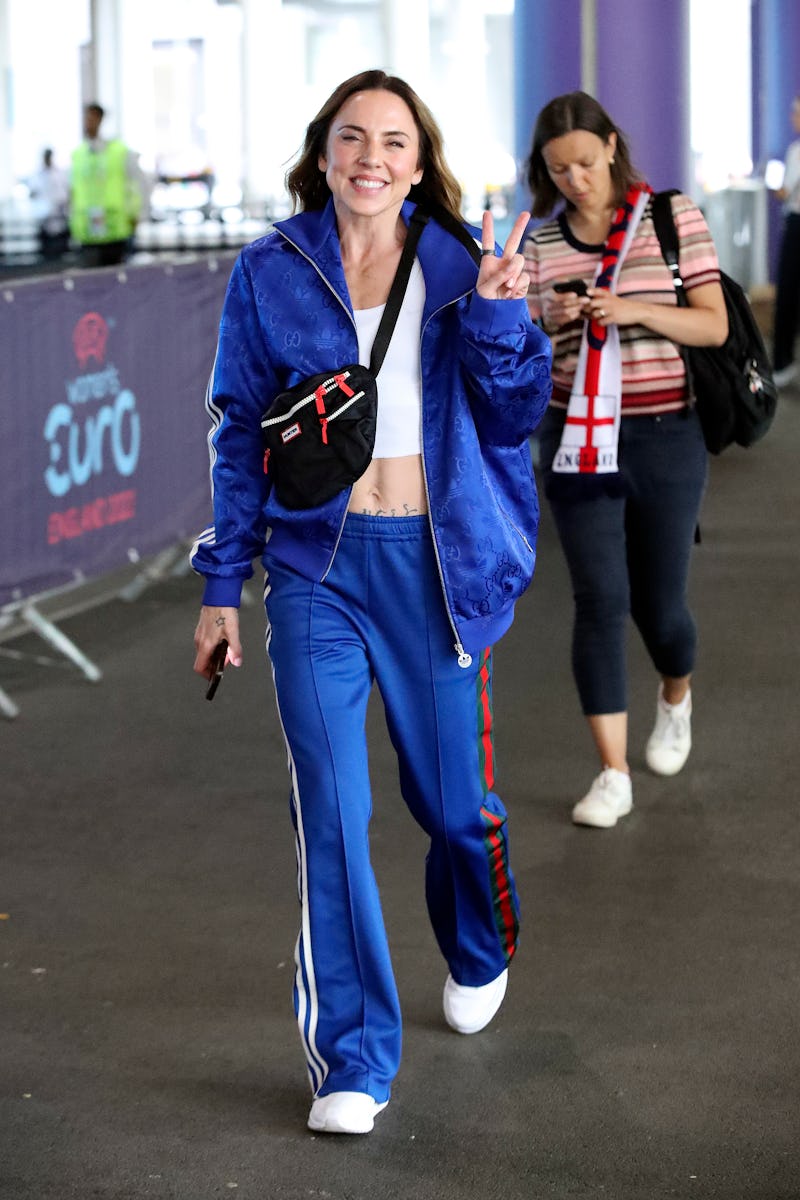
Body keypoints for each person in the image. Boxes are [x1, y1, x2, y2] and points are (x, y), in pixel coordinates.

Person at [191, 69, 552, 1134]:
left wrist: (497, 316)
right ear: (322, 150)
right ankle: (352, 1057)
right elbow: (237, 435)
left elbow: (512, 411)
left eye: (394, 141)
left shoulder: (457, 262)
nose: (372, 157)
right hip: (316, 573)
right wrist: (222, 587)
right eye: (353, 137)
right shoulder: (271, 268)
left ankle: (479, 939)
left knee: (449, 807)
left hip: (433, 566)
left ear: (418, 158)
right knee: (333, 817)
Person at [523, 91, 728, 830]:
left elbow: (712, 325)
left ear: (611, 145)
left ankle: (676, 692)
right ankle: (612, 773)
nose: (575, 178)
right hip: (577, 438)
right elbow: (527, 351)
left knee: (661, 607)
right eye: (558, 169)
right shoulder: (540, 247)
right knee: (599, 601)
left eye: (584, 161)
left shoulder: (673, 219)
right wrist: (554, 324)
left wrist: (630, 308)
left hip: (666, 433)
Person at [69, 103, 144, 267]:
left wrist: (136, 214)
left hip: (115, 230)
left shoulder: (119, 151)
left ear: (100, 119)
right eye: (86, 118)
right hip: (87, 232)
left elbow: (136, 185)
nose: (88, 122)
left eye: (91, 117)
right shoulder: (78, 154)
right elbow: (74, 191)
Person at [770, 94, 800, 389]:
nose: (793, 118)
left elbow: (785, 191)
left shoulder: (796, 152)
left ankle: (781, 362)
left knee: (787, 295)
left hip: (796, 225)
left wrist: (774, 187)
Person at [28, 148, 70, 260]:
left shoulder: (60, 173)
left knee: (61, 255)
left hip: (60, 220)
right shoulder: (37, 175)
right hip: (44, 223)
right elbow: (33, 194)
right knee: (46, 258)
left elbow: (65, 193)